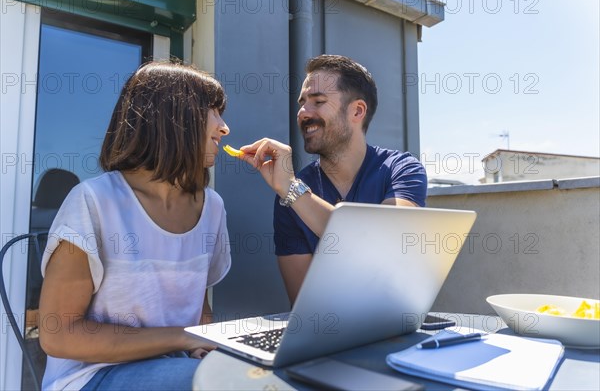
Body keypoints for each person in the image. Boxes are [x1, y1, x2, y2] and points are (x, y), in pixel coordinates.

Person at [38, 62, 232, 390]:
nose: (224, 127)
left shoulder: (212, 207)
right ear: (171, 119)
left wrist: (203, 342)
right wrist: (184, 338)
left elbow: (198, 304)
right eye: (212, 111)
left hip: (175, 366)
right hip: (91, 376)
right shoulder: (93, 202)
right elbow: (59, 334)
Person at [239, 55, 427, 304]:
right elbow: (306, 307)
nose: (303, 113)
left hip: (397, 328)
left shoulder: (401, 170)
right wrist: (290, 191)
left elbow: (385, 244)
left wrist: (292, 189)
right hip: (329, 334)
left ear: (357, 111)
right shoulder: (289, 198)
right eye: (302, 103)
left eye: (318, 101)